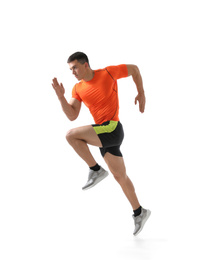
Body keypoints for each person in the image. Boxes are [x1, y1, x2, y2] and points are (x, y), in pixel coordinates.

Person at [52, 52, 151, 236]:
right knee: (120, 177)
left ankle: (96, 170)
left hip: (112, 128)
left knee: (71, 136)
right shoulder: (77, 88)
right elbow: (72, 115)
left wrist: (141, 93)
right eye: (70, 69)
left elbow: (135, 70)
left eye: (75, 67)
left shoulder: (108, 73)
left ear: (86, 65)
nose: (72, 72)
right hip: (102, 134)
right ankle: (139, 212)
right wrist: (61, 97)